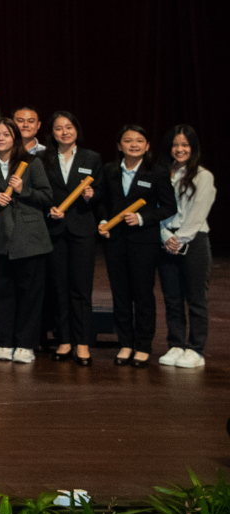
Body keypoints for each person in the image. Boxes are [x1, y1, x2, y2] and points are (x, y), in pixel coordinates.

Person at [96, 125, 175, 368]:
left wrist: (142, 218)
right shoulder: (109, 170)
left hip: (144, 242)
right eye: (128, 140)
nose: (133, 145)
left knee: (142, 294)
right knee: (120, 294)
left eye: (139, 140)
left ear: (147, 145)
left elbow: (169, 207)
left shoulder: (157, 172)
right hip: (115, 241)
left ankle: (143, 346)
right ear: (119, 145)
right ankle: (125, 344)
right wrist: (102, 220)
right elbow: (102, 201)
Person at [0, 117, 52, 363]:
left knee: (30, 295)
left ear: (15, 138)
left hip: (30, 239)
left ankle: (25, 344)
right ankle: (4, 342)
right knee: (2, 295)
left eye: (6, 134)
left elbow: (46, 197)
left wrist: (24, 190)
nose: (0, 138)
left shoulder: (31, 163)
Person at [41, 111, 101, 366]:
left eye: (69, 127)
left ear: (76, 129)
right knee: (58, 288)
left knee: (81, 288)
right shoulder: (44, 158)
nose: (64, 132)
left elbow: (102, 193)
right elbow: (41, 192)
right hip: (54, 229)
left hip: (82, 230)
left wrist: (91, 195)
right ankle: (64, 340)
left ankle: (83, 342)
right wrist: (48, 208)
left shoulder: (92, 158)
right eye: (58, 128)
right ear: (52, 133)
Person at [158, 125, 214, 368]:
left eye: (184, 145)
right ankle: (176, 345)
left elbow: (197, 214)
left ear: (193, 148)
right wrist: (164, 235)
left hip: (194, 241)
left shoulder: (203, 175)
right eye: (175, 145)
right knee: (172, 298)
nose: (179, 149)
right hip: (165, 240)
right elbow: (155, 209)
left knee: (196, 298)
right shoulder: (161, 173)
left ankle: (195, 349)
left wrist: (178, 239)